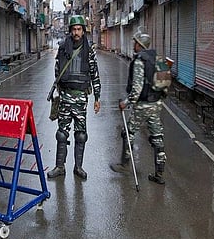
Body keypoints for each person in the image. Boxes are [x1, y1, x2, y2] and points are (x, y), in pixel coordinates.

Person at [47, 15, 101, 180]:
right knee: (62, 133)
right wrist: (60, 92)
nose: (76, 32)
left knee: (81, 134)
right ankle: (59, 166)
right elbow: (57, 71)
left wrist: (97, 98)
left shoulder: (89, 50)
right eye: (74, 29)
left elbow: (95, 74)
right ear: (70, 31)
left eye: (79, 29)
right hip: (65, 97)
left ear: (83, 31)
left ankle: (78, 167)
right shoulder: (63, 48)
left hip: (80, 99)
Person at [110, 29, 167, 185]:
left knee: (128, 133)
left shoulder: (140, 61)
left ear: (140, 44)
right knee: (157, 137)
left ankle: (125, 164)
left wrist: (126, 102)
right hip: (156, 104)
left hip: (142, 105)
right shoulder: (157, 58)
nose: (133, 44)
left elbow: (137, 88)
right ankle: (159, 173)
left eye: (135, 42)